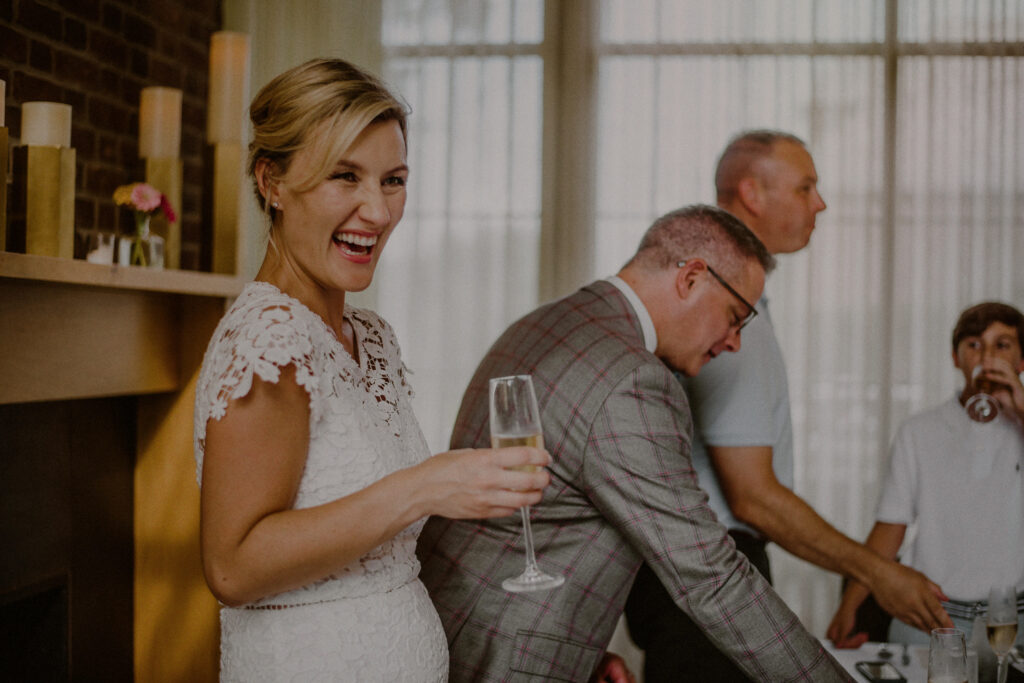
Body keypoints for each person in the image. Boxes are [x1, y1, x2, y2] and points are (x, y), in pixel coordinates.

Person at [192, 58, 554, 682]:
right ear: (271, 182)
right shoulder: (271, 338)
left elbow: (372, 538)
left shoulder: (369, 336)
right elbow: (234, 568)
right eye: (345, 176)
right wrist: (425, 485)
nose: (379, 212)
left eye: (393, 180)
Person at [417, 204, 855, 682]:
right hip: (510, 659)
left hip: (460, 628)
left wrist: (585, 654)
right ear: (691, 278)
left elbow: (546, 517)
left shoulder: (542, 323)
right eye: (736, 317)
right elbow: (710, 577)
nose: (734, 343)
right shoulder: (632, 377)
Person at [624, 130, 950, 681]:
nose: (820, 203)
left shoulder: (734, 310)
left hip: (693, 577)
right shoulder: (715, 321)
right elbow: (752, 498)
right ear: (752, 194)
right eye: (806, 187)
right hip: (711, 577)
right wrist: (878, 574)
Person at [828, 301, 1024, 650]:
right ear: (955, 357)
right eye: (974, 345)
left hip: (1010, 619)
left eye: (1002, 345)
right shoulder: (919, 431)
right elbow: (890, 527)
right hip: (930, 616)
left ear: (1021, 361)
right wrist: (848, 607)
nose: (987, 357)